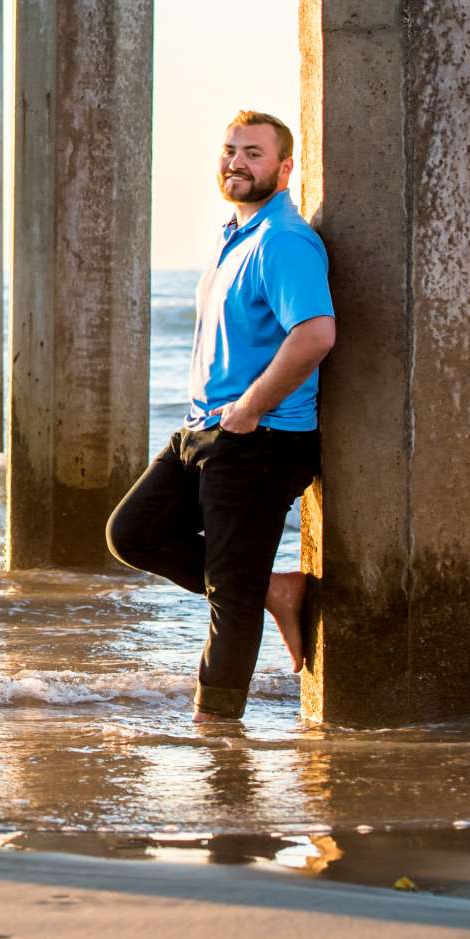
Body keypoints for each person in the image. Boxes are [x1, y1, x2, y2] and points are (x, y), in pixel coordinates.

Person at [106, 111, 336, 722]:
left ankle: (217, 735)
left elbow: (314, 334)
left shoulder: (284, 241)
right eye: (231, 150)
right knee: (132, 533)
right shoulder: (233, 234)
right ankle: (277, 589)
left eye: (254, 154)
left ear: (284, 169)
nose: (237, 162)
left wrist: (251, 410)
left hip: (262, 439)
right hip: (203, 431)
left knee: (229, 601)